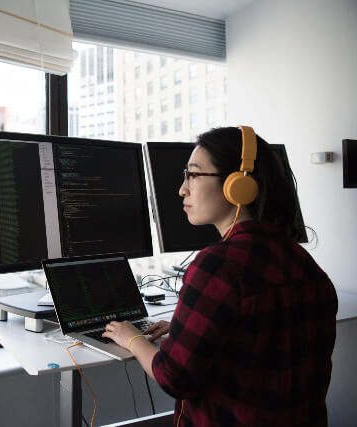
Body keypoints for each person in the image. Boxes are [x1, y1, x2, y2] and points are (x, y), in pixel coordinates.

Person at [102, 126, 338, 426]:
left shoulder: (218, 266)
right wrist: (187, 327)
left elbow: (174, 377)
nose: (182, 189)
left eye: (193, 174)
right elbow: (263, 335)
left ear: (238, 185)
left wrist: (132, 337)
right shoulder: (305, 264)